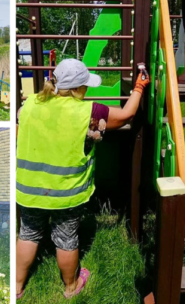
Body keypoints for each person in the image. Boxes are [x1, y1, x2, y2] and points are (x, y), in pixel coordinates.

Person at [16, 58, 149, 299]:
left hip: (28, 188)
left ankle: (16, 287)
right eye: (85, 85)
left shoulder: (31, 103)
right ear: (78, 89)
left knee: (28, 234)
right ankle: (71, 286)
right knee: (66, 238)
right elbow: (127, 114)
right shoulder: (89, 111)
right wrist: (139, 87)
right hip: (66, 192)